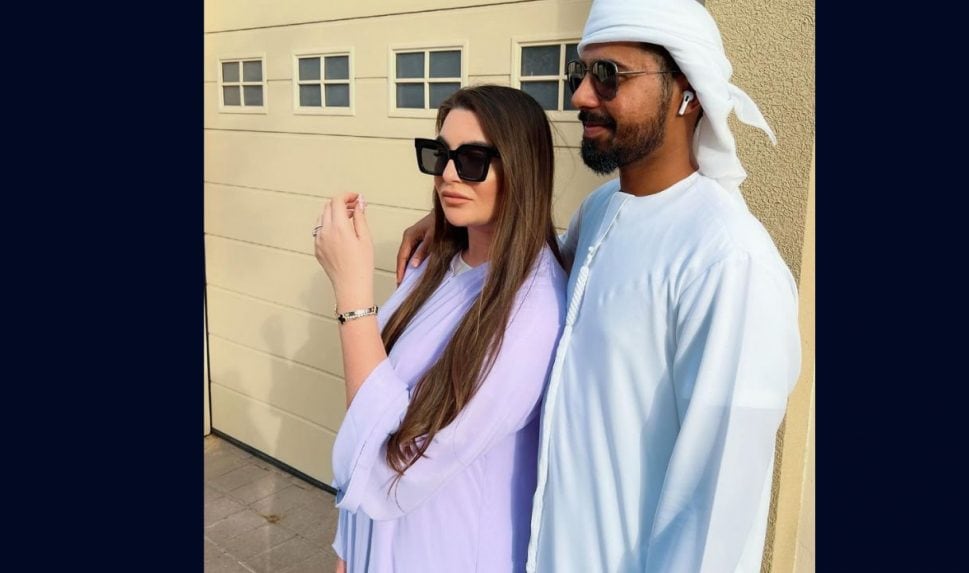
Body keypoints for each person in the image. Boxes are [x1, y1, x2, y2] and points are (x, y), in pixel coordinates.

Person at [395, 1, 802, 571]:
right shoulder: (601, 211)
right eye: (580, 74)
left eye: (609, 75)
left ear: (686, 91)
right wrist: (452, 221)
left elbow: (715, 516)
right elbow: (525, 267)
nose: (581, 96)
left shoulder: (728, 261)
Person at [313, 85, 567, 573]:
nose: (448, 174)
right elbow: (373, 408)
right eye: (440, 155)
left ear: (521, 168)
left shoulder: (530, 313)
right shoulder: (435, 263)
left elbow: (393, 467)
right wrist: (348, 547)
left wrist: (352, 296)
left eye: (472, 160)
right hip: (379, 548)